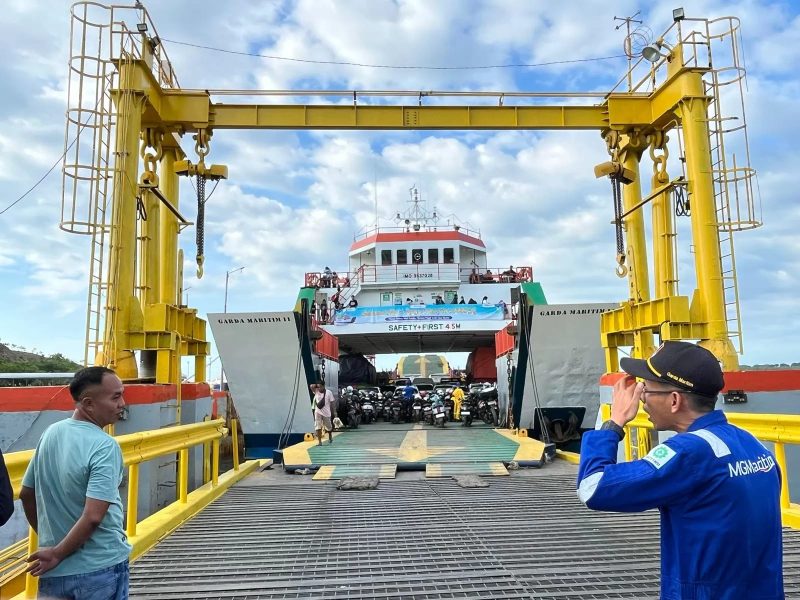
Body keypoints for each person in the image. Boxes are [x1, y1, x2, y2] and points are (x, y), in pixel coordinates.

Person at [577, 341, 783, 599]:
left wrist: (614, 423)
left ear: (674, 400)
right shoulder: (752, 444)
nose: (641, 399)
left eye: (646, 390)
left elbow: (593, 487)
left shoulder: (688, 453)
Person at [19, 366, 131, 598]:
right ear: (88, 403)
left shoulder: (51, 433)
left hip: (55, 572)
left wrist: (53, 545)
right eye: (116, 397)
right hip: (100, 567)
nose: (123, 404)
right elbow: (93, 516)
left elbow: (26, 494)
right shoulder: (105, 445)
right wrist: (59, 552)